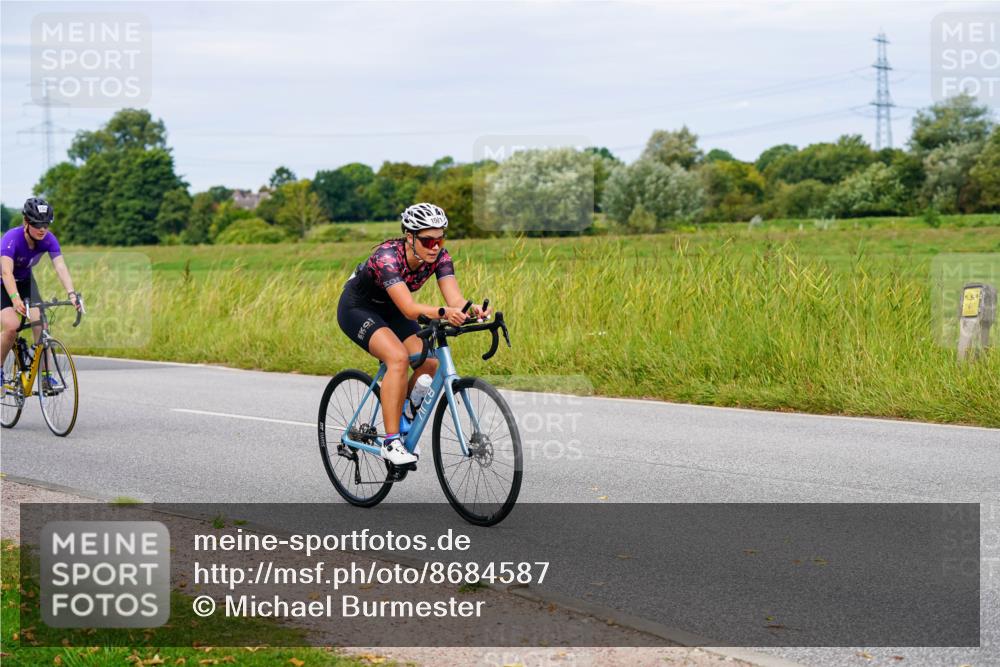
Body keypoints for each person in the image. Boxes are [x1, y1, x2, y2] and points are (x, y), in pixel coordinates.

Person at [337, 203, 491, 465]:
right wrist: (444, 313)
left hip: (392, 309)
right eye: (427, 240)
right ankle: (391, 442)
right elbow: (410, 309)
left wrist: (470, 310)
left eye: (439, 239)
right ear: (409, 237)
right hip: (358, 308)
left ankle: (406, 412)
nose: (435, 247)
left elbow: (454, 298)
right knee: (396, 357)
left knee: (428, 362)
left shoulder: (440, 257)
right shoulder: (387, 257)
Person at [1, 197, 82, 392]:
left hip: (26, 282)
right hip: (3, 283)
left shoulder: (48, 239)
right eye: (37, 224)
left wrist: (71, 294)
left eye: (45, 224)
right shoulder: (12, 239)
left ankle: (45, 377)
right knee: (12, 327)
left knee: (42, 324)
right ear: (26, 222)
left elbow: (60, 266)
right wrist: (15, 299)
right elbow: (6, 273)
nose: (42, 229)